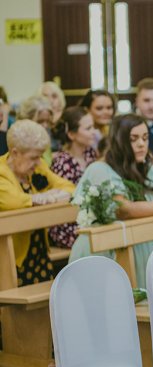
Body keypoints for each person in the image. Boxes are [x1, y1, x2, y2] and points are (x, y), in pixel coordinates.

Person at [69, 114, 153, 288]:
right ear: (119, 141)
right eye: (134, 139)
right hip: (106, 249)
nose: (142, 144)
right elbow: (125, 209)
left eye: (145, 138)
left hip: (142, 243)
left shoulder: (150, 169)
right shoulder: (100, 169)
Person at [0, 120, 74, 286]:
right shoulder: (1, 172)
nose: (39, 162)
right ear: (15, 152)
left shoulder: (37, 167)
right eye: (33, 157)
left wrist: (49, 197)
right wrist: (44, 196)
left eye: (41, 156)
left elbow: (68, 187)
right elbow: (14, 201)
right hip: (10, 257)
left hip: (38, 251)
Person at [49, 107, 98, 248]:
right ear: (71, 134)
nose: (93, 132)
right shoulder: (62, 162)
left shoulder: (90, 154)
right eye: (88, 128)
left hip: (88, 218)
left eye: (93, 127)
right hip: (67, 223)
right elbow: (65, 201)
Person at [17, 95, 56, 163]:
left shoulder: (44, 140)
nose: (45, 126)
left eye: (48, 121)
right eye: (40, 121)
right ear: (27, 119)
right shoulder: (19, 145)